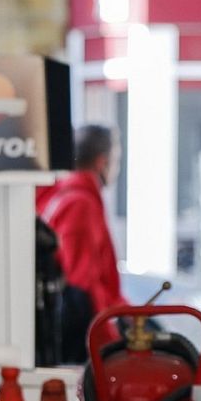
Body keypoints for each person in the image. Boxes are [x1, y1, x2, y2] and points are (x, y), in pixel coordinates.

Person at [38, 124, 125, 357]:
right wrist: (109, 341)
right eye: (116, 159)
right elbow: (83, 282)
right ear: (101, 162)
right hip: (78, 340)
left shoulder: (58, 195)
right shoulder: (80, 203)